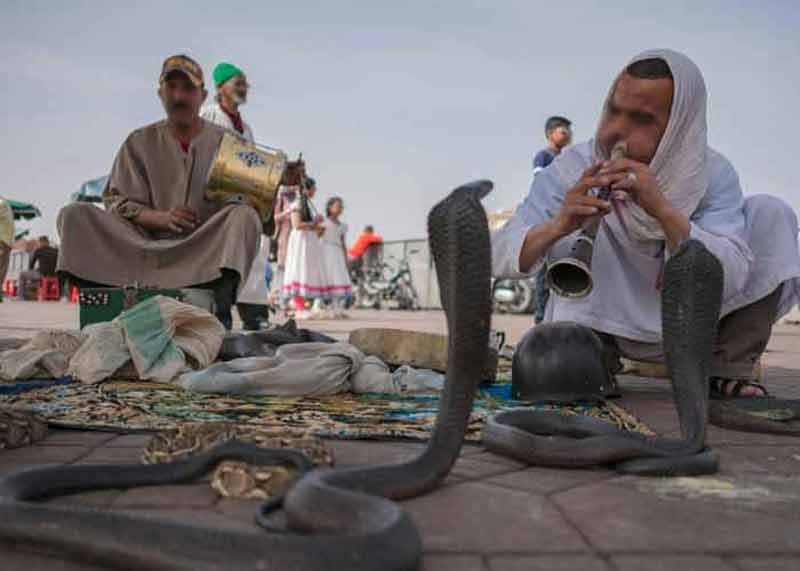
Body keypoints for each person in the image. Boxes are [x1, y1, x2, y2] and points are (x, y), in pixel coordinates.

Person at [492, 49, 800, 399]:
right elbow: (501, 254)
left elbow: (730, 276)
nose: (616, 131)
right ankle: (595, 359)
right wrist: (559, 225)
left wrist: (664, 211)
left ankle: (729, 366)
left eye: (641, 119)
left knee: (772, 214)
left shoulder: (711, 173)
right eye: (613, 111)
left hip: (694, 325)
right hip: (602, 322)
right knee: (566, 363)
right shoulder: (570, 167)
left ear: (679, 126)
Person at [56, 55, 262, 330]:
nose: (179, 96)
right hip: (140, 248)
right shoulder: (138, 142)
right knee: (74, 215)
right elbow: (116, 201)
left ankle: (216, 311)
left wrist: (282, 180)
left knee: (244, 216)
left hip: (202, 251)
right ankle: (109, 307)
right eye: (171, 88)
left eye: (187, 89)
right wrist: (159, 218)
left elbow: (252, 196)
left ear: (201, 96)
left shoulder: (227, 142)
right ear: (160, 94)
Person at [201, 61, 269, 330]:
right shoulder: (207, 116)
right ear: (220, 86)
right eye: (238, 83)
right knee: (223, 260)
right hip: (213, 202)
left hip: (241, 201)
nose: (244, 88)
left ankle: (254, 317)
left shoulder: (246, 128)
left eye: (245, 83)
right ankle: (221, 320)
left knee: (252, 257)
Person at [532, 116, 573, 324]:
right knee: (544, 271)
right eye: (561, 129)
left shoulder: (570, 160)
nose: (566, 133)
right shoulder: (544, 157)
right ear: (550, 135)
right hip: (549, 218)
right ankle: (541, 319)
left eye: (567, 130)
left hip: (565, 219)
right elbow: (542, 184)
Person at [280, 177, 327, 319]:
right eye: (313, 188)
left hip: (308, 243)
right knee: (298, 272)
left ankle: (304, 306)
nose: (315, 191)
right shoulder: (298, 203)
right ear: (306, 189)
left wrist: (317, 227)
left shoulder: (306, 204)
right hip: (300, 243)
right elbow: (297, 224)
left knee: (306, 273)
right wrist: (314, 222)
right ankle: (299, 307)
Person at [320, 197, 353, 317]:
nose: (340, 208)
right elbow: (318, 237)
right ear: (330, 207)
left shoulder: (343, 225)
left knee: (338, 278)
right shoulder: (323, 222)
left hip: (337, 252)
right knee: (326, 278)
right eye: (337, 206)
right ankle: (321, 306)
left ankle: (336, 307)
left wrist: (346, 257)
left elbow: (343, 242)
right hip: (325, 251)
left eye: (341, 206)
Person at [0, 198, 13, 302]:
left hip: (3, 240)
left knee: (2, 268)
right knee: (2, 268)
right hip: (5, 241)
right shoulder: (5, 204)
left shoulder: (2, 203)